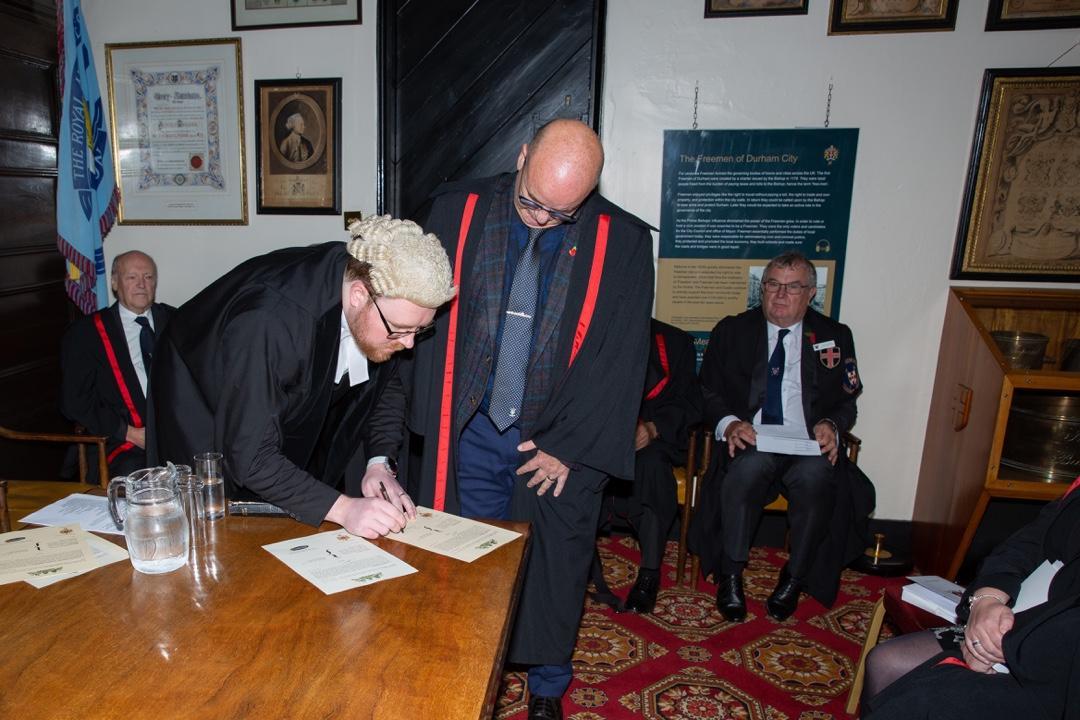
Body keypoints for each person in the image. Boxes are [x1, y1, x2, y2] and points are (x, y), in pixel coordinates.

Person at [408, 118, 654, 720]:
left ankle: (547, 687)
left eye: (562, 212)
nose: (543, 219)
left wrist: (571, 444)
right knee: (465, 560)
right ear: (522, 157)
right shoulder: (457, 209)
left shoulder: (620, 241)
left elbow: (620, 359)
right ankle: (468, 671)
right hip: (469, 427)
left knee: (555, 568)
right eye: (533, 202)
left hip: (556, 439)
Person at [149, 216, 455, 539]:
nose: (409, 344)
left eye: (419, 330)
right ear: (358, 295)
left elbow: (386, 385)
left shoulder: (369, 285)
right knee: (220, 519)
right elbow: (250, 456)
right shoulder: (270, 322)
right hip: (195, 394)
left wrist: (378, 463)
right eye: (400, 330)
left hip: (273, 379)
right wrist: (344, 509)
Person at [689, 250, 871, 622]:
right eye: (773, 285)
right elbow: (705, 391)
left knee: (817, 477)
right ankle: (731, 573)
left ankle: (795, 577)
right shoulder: (733, 331)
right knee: (745, 471)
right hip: (754, 437)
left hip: (807, 442)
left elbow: (847, 401)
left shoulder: (834, 336)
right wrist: (730, 423)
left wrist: (832, 425)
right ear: (762, 288)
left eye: (793, 287)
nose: (780, 295)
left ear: (811, 293)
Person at [862, 475, 1080, 719]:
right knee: (886, 661)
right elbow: (1030, 540)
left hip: (1054, 674)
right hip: (1029, 626)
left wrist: (1003, 645)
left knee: (926, 700)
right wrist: (987, 599)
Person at [60, 251, 175, 481]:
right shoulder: (87, 334)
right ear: (114, 283)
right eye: (132, 277)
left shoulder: (175, 321)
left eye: (148, 277)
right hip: (120, 442)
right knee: (140, 479)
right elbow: (74, 402)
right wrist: (127, 432)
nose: (141, 284)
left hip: (174, 437)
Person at [622, 319, 702, 614]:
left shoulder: (676, 342)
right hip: (598, 438)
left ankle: (649, 573)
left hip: (653, 441)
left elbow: (689, 405)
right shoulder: (591, 332)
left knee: (653, 468)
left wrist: (653, 428)